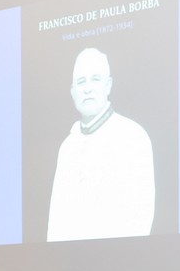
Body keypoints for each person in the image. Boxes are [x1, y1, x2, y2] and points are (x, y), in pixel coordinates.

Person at [47, 48, 155, 242]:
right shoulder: (67, 147)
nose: (87, 88)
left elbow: (140, 219)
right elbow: (55, 222)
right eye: (81, 82)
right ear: (73, 91)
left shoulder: (133, 136)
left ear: (108, 85)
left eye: (95, 79)